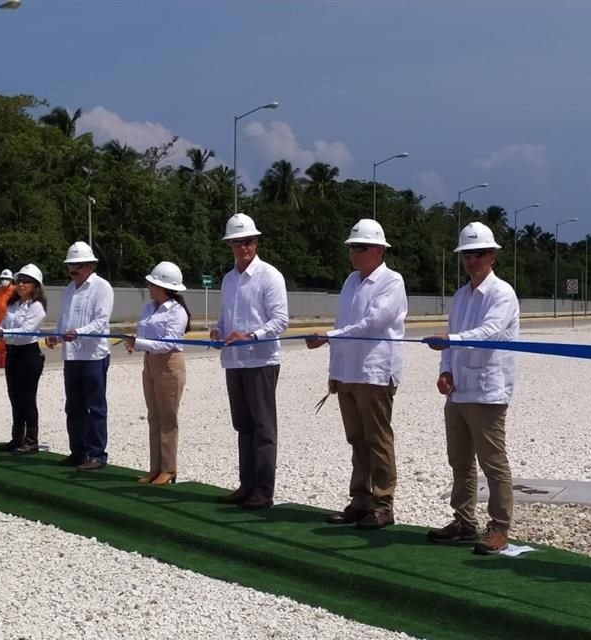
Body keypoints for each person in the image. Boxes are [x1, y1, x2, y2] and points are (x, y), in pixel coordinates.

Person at [425, 222, 520, 555]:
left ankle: (500, 526)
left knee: (493, 462)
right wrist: (445, 370)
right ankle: (464, 520)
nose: (471, 260)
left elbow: (490, 331)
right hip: (459, 389)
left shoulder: (502, 293)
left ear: (492, 256)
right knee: (460, 461)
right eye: (466, 254)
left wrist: (450, 341)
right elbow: (451, 339)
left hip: (488, 389)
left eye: (478, 254)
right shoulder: (461, 296)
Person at [306, 219, 407, 530]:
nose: (354, 253)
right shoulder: (350, 281)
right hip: (348, 373)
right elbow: (344, 322)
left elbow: (372, 323)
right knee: (356, 440)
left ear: (378, 249)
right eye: (351, 247)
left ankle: (383, 503)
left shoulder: (392, 281)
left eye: (359, 247)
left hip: (375, 372)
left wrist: (329, 337)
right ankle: (360, 500)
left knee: (377, 439)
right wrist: (334, 372)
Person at [209, 213, 289, 509]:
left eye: (249, 241)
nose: (244, 247)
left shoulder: (270, 276)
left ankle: (263, 490)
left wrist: (252, 336)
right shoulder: (228, 279)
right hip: (234, 361)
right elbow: (225, 318)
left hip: (261, 360)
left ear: (256, 242)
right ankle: (247, 484)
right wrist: (219, 330)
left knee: (263, 427)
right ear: (230, 245)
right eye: (238, 242)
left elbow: (281, 320)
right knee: (242, 425)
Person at [45, 241, 114, 471]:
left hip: (93, 355)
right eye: (71, 266)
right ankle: (78, 451)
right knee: (73, 406)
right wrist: (56, 335)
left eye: (79, 266)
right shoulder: (68, 289)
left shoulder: (102, 287)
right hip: (72, 355)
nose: (73, 270)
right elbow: (64, 320)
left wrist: (78, 333)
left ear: (90, 266)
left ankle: (97, 455)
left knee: (95, 406)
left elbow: (101, 322)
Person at [123, 261, 190, 486]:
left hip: (169, 364)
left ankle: (169, 468)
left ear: (165, 287)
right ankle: (155, 468)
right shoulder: (149, 308)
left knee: (168, 418)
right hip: (150, 362)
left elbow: (168, 343)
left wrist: (139, 342)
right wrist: (136, 342)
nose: (149, 287)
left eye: (153, 284)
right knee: (154, 417)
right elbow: (146, 335)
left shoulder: (178, 312)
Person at [0, 264, 47, 455]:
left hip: (29, 354)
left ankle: (31, 440)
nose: (20, 284)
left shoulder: (37, 306)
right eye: (19, 281)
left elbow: (26, 330)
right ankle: (17, 438)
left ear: (35, 285)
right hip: (13, 353)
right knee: (14, 396)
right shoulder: (12, 304)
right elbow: (4, 324)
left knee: (27, 397)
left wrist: (4, 332)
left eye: (26, 281)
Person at [0, 268, 16, 369]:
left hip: (11, 319)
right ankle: (0, 361)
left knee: (11, 341)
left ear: (11, 280)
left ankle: (13, 361)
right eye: (3, 278)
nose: (4, 280)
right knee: (0, 342)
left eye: (7, 278)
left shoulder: (15, 290)